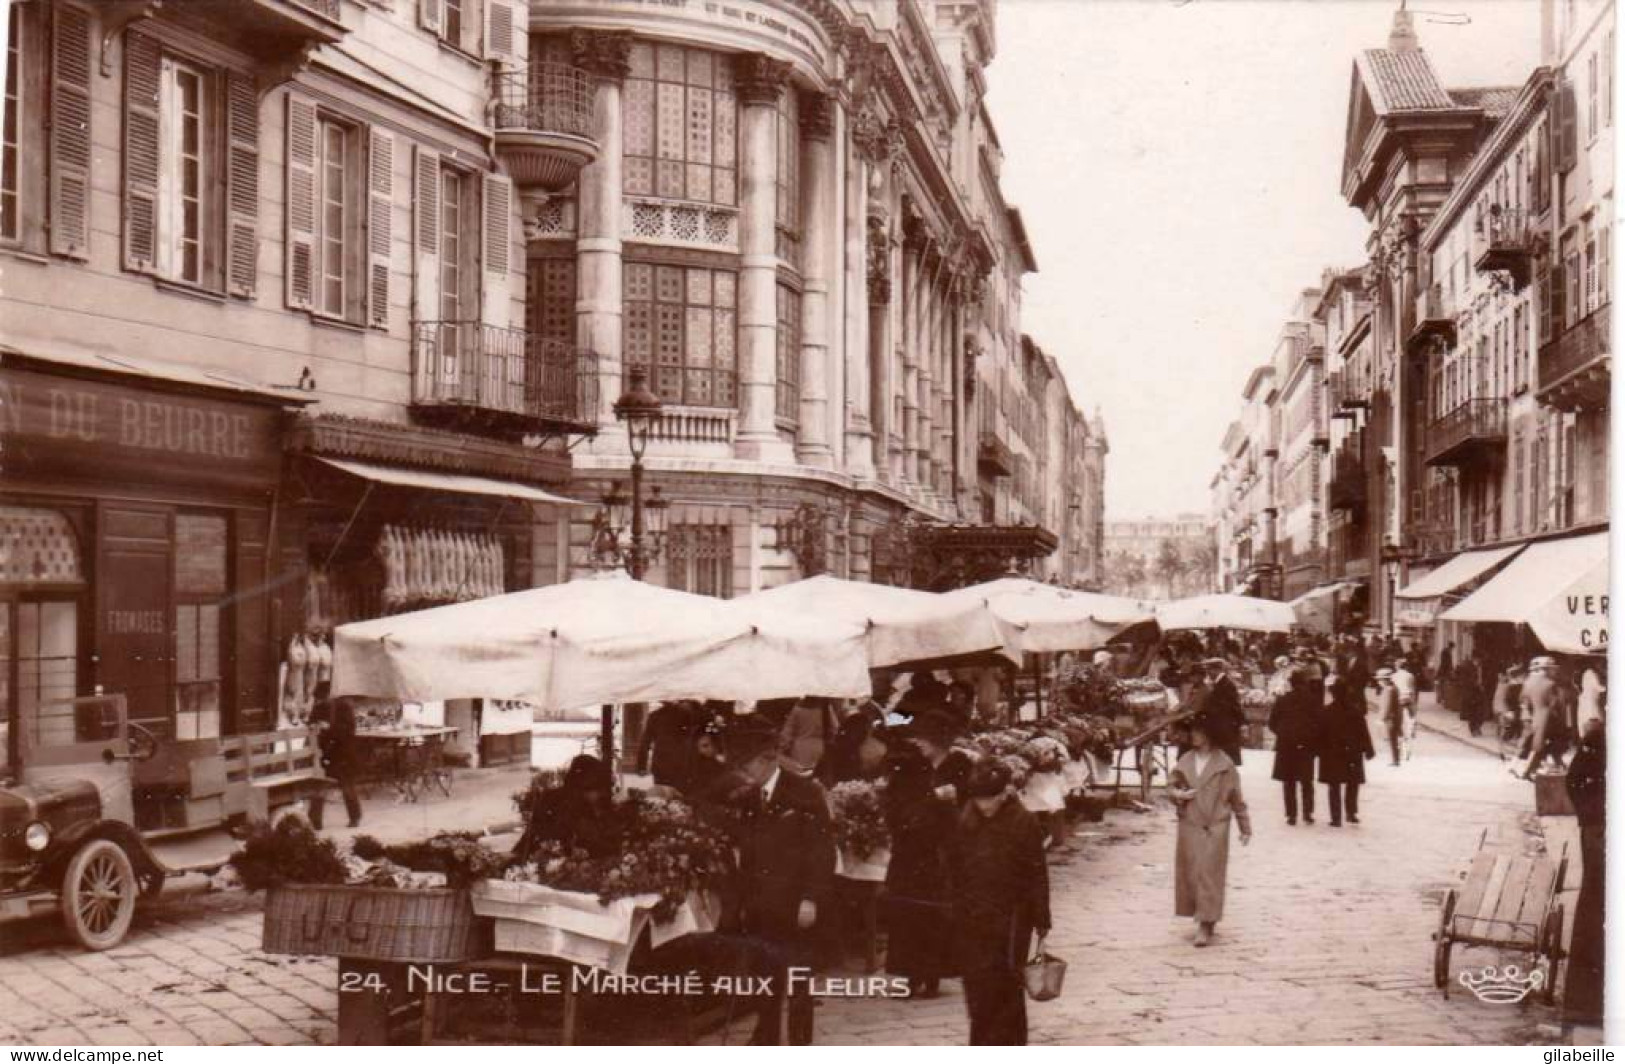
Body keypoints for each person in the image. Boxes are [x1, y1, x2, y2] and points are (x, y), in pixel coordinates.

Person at [725, 714, 835, 1045]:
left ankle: (801, 1043)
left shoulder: (805, 793)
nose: (743, 774)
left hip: (796, 904)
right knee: (765, 976)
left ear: (767, 760)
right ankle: (767, 1037)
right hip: (761, 903)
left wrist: (811, 899)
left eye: (747, 767)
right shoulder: (748, 797)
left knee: (799, 979)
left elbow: (821, 851)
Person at [948, 759, 1051, 1045]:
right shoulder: (966, 818)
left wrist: (1042, 918)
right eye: (979, 799)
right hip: (972, 915)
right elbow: (954, 867)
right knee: (977, 985)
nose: (985, 806)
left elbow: (1036, 873)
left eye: (990, 799)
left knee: (1007, 983)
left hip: (1012, 918)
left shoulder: (1024, 821)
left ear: (1005, 792)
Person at [1167, 717, 1251, 947]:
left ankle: (1205, 923)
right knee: (1193, 873)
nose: (1193, 735)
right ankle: (1204, 915)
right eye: (1192, 730)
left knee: (1210, 874)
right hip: (1190, 824)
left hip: (1216, 825)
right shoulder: (1186, 759)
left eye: (1198, 731)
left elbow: (1236, 797)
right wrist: (1178, 795)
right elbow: (1171, 785)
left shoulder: (1225, 764)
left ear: (1210, 735)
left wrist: (1245, 826)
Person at [882, 745, 956, 999]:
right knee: (925, 919)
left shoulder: (905, 791)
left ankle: (915, 977)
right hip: (926, 863)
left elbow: (901, 822)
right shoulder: (933, 790)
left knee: (911, 920)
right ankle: (927, 976)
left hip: (912, 863)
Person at [1564, 699, 1605, 1027]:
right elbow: (1574, 781)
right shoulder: (1599, 739)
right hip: (1601, 834)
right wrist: (1593, 822)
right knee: (1596, 908)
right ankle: (1586, 1004)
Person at [513, 754, 618, 858]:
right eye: (596, 789)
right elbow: (534, 834)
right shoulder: (554, 800)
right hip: (548, 858)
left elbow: (607, 845)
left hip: (560, 860)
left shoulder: (593, 807)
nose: (600, 794)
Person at [1320, 656, 1375, 826]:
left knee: (1334, 785)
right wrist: (1368, 750)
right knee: (1352, 784)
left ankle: (1336, 817)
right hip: (1352, 751)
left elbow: (1320, 734)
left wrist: (1316, 750)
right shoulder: (1355, 711)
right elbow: (1363, 732)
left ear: (1334, 693)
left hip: (1333, 752)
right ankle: (1351, 813)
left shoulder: (1327, 711)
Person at [1268, 669, 1320, 825]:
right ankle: (1307, 813)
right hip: (1306, 745)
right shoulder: (1313, 700)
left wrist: (1283, 734)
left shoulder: (1282, 700)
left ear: (1290, 683)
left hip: (1286, 745)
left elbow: (1272, 723)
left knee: (1288, 781)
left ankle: (1291, 815)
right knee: (1306, 781)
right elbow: (1319, 724)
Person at [307, 684, 363, 830]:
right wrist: (313, 726)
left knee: (347, 786)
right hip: (325, 752)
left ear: (330, 695)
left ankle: (355, 817)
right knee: (319, 786)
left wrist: (330, 729)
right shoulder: (318, 707)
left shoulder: (344, 707)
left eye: (322, 698)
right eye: (318, 700)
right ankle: (315, 821)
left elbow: (349, 731)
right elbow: (311, 723)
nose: (319, 702)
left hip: (343, 753)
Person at [909, 710, 977, 804]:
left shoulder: (962, 767)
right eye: (918, 738)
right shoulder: (917, 766)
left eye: (923, 739)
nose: (918, 743)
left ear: (937, 738)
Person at [1520, 656, 1571, 779]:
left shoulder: (1528, 683)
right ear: (1546, 669)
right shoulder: (1551, 684)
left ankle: (1529, 770)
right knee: (1553, 744)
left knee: (1540, 746)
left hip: (1536, 719)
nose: (1554, 672)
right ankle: (1529, 770)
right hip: (1550, 720)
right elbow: (1556, 704)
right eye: (1552, 669)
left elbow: (1524, 702)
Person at [1196, 658, 1245, 766]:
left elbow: (1230, 705)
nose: (1207, 673)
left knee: (1225, 755)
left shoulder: (1226, 684)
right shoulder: (1219, 683)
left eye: (1209, 669)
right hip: (1220, 724)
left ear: (1216, 670)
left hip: (1224, 724)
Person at [778, 696, 840, 779]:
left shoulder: (798, 708)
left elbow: (787, 733)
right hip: (820, 746)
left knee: (801, 776)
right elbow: (835, 727)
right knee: (820, 776)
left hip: (800, 748)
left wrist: (782, 747)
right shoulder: (825, 707)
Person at [1374, 668, 1404, 767]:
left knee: (1392, 739)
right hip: (1395, 717)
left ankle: (1395, 760)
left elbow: (1387, 706)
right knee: (1394, 739)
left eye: (1380, 680)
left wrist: (1381, 718)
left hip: (1390, 719)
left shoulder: (1388, 690)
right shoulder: (1394, 688)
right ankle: (1396, 759)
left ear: (1385, 680)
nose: (1378, 682)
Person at [1390, 658, 1417, 761]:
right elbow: (1413, 691)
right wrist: (1414, 707)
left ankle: (1400, 749)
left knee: (1398, 726)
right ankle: (1408, 748)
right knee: (1410, 723)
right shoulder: (1410, 676)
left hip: (1398, 701)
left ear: (1397, 666)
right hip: (1408, 700)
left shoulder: (1393, 676)